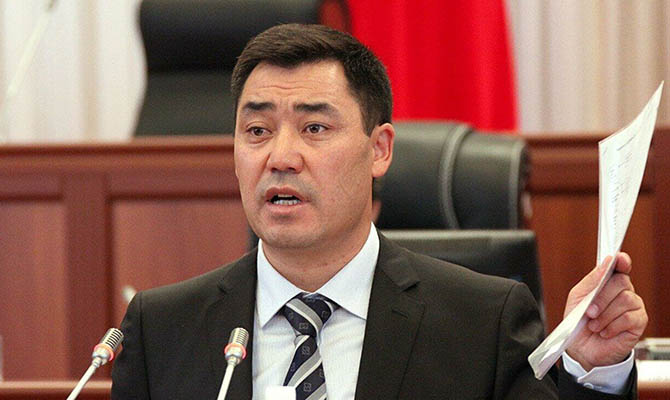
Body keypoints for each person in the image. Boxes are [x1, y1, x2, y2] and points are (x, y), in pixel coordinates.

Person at [111, 24, 647, 399]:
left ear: (379, 150)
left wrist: (593, 371)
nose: (280, 157)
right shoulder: (163, 329)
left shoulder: (482, 322)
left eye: (314, 128)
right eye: (257, 130)